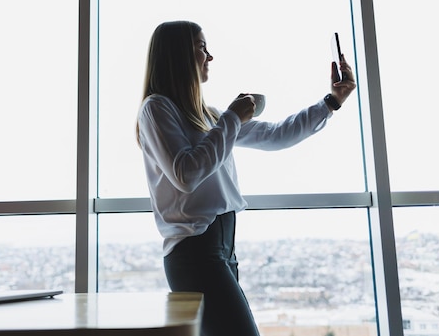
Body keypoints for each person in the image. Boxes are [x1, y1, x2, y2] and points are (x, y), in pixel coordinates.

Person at [136, 20, 356, 336]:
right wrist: (232, 118)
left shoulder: (208, 116)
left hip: (223, 247)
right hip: (195, 252)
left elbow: (278, 134)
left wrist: (332, 101)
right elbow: (186, 173)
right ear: (180, 55)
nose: (209, 56)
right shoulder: (156, 109)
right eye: (201, 47)